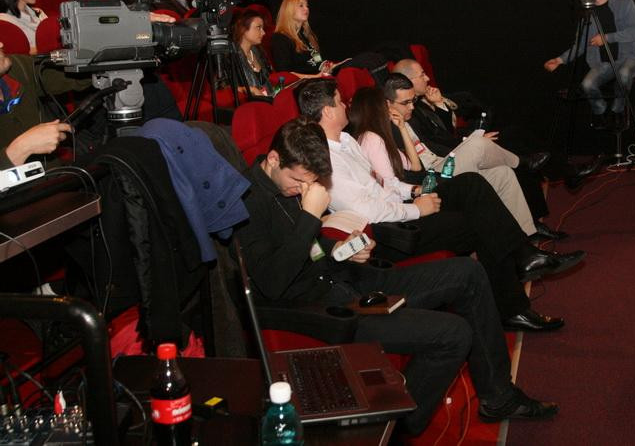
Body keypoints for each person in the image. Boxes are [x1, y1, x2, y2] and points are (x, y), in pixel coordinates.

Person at [234, 117, 560, 435]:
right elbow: (273, 282)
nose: (303, 188)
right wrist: (310, 216)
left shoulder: (291, 184)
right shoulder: (246, 203)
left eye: (310, 181)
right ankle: (398, 429)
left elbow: (310, 246)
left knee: (468, 273)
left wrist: (339, 247)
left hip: (347, 277)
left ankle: (499, 397)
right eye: (298, 180)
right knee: (454, 334)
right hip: (324, 307)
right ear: (273, 159)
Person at [297, 78, 586, 332]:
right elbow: (369, 212)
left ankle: (523, 258)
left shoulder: (347, 141)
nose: (346, 105)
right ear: (328, 112)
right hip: (384, 233)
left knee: (470, 184)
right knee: (478, 221)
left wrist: (414, 191)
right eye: (340, 101)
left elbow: (385, 185)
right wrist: (417, 208)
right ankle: (513, 303)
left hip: (399, 208)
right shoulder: (327, 158)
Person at [393, 59, 571, 240]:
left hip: (446, 158)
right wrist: (469, 142)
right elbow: (427, 153)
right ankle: (527, 164)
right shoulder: (396, 119)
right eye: (422, 75)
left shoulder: (416, 105)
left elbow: (442, 136)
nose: (427, 78)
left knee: (504, 171)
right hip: (434, 174)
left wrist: (440, 106)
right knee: (494, 143)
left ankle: (527, 236)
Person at [353, 80, 539, 237]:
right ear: (385, 105)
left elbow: (419, 162)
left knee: (502, 173)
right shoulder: (374, 138)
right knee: (478, 144)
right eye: (405, 103)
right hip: (427, 181)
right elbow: (392, 186)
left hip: (432, 170)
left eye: (413, 101)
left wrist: (402, 127)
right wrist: (417, 192)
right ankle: (522, 163)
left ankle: (526, 238)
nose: (411, 106)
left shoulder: (404, 122)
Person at [544, 0, 635, 128]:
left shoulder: (624, 2)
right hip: (603, 63)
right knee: (587, 84)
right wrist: (559, 60)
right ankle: (600, 111)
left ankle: (617, 111)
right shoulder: (587, 13)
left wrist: (607, 38)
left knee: (624, 73)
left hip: (629, 58)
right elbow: (580, 44)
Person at [271, 0, 345, 77]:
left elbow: (317, 60)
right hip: (304, 83)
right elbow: (285, 74)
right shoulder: (280, 38)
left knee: (350, 66)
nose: (306, 9)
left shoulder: (305, 35)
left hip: (317, 78)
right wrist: (315, 77)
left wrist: (326, 66)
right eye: (301, 5)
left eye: (307, 6)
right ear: (289, 10)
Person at [232, 9, 273, 97]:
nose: (263, 33)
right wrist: (246, 89)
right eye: (258, 27)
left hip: (267, 100)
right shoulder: (230, 57)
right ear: (243, 29)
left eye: (263, 28)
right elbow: (222, 89)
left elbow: (270, 81)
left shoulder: (259, 52)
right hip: (247, 103)